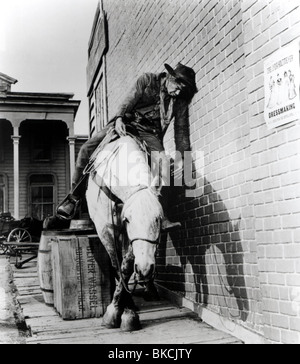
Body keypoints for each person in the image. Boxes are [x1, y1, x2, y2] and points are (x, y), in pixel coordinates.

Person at [56, 62, 197, 230]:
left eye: (183, 90)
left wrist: (185, 164)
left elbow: (181, 133)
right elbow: (129, 99)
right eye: (178, 86)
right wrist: (119, 118)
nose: (179, 92)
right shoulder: (147, 80)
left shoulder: (179, 101)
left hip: (150, 134)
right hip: (127, 122)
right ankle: (74, 199)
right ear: (170, 77)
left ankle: (162, 215)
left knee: (164, 168)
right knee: (86, 149)